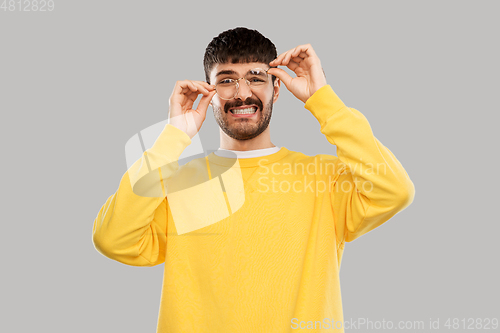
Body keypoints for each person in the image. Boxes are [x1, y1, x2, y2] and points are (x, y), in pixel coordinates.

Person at [92, 27, 415, 332]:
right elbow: (113, 239)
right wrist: (174, 135)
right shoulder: (175, 182)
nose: (242, 93)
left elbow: (394, 192)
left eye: (256, 78)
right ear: (209, 92)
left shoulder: (325, 179)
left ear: (277, 88)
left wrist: (323, 100)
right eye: (226, 80)